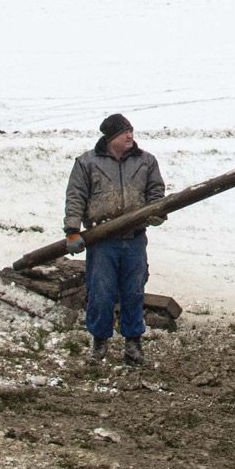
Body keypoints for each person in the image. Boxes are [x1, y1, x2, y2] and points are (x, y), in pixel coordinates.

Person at [63, 113, 164, 366]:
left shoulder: (146, 161)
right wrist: (72, 230)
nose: (130, 136)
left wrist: (157, 211)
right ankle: (99, 344)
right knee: (101, 293)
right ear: (110, 138)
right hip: (101, 239)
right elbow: (76, 196)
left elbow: (156, 192)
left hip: (134, 239)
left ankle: (133, 345)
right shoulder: (87, 163)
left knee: (133, 291)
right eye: (124, 133)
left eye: (131, 131)